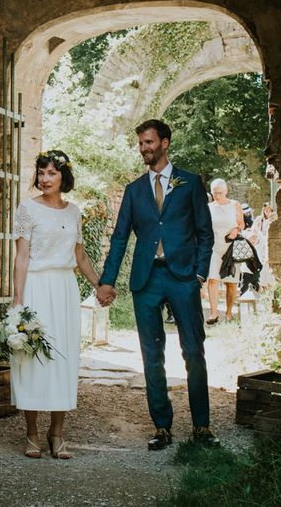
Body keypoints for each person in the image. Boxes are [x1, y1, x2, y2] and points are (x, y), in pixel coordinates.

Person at [97, 119, 218, 450]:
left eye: (149, 142)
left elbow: (205, 233)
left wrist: (199, 274)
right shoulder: (135, 190)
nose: (144, 149)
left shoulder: (190, 183)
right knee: (152, 354)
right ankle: (162, 427)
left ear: (164, 143)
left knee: (193, 351)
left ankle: (202, 426)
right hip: (147, 279)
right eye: (140, 144)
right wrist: (107, 281)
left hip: (182, 277)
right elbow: (120, 238)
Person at [11, 149, 100, 460]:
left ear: (64, 177)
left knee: (63, 358)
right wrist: (18, 299)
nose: (44, 178)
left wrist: (99, 285)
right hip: (36, 286)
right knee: (32, 357)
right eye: (41, 172)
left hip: (64, 290)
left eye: (51, 173)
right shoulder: (27, 210)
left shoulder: (74, 212)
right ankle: (33, 432)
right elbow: (21, 257)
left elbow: (80, 257)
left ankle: (57, 433)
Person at [206, 178, 244, 324]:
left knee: (231, 283)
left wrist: (236, 229)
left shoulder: (235, 205)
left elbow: (241, 224)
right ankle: (214, 313)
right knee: (212, 280)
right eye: (215, 193)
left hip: (231, 248)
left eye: (220, 193)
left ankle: (228, 313)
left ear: (226, 191)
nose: (217, 195)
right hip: (214, 247)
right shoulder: (209, 207)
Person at [247, 202, 276, 289]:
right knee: (261, 265)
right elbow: (254, 231)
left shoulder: (272, 219)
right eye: (266, 210)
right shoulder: (259, 219)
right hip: (260, 245)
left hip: (267, 244)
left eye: (269, 210)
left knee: (267, 266)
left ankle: (269, 287)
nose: (267, 212)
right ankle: (262, 286)